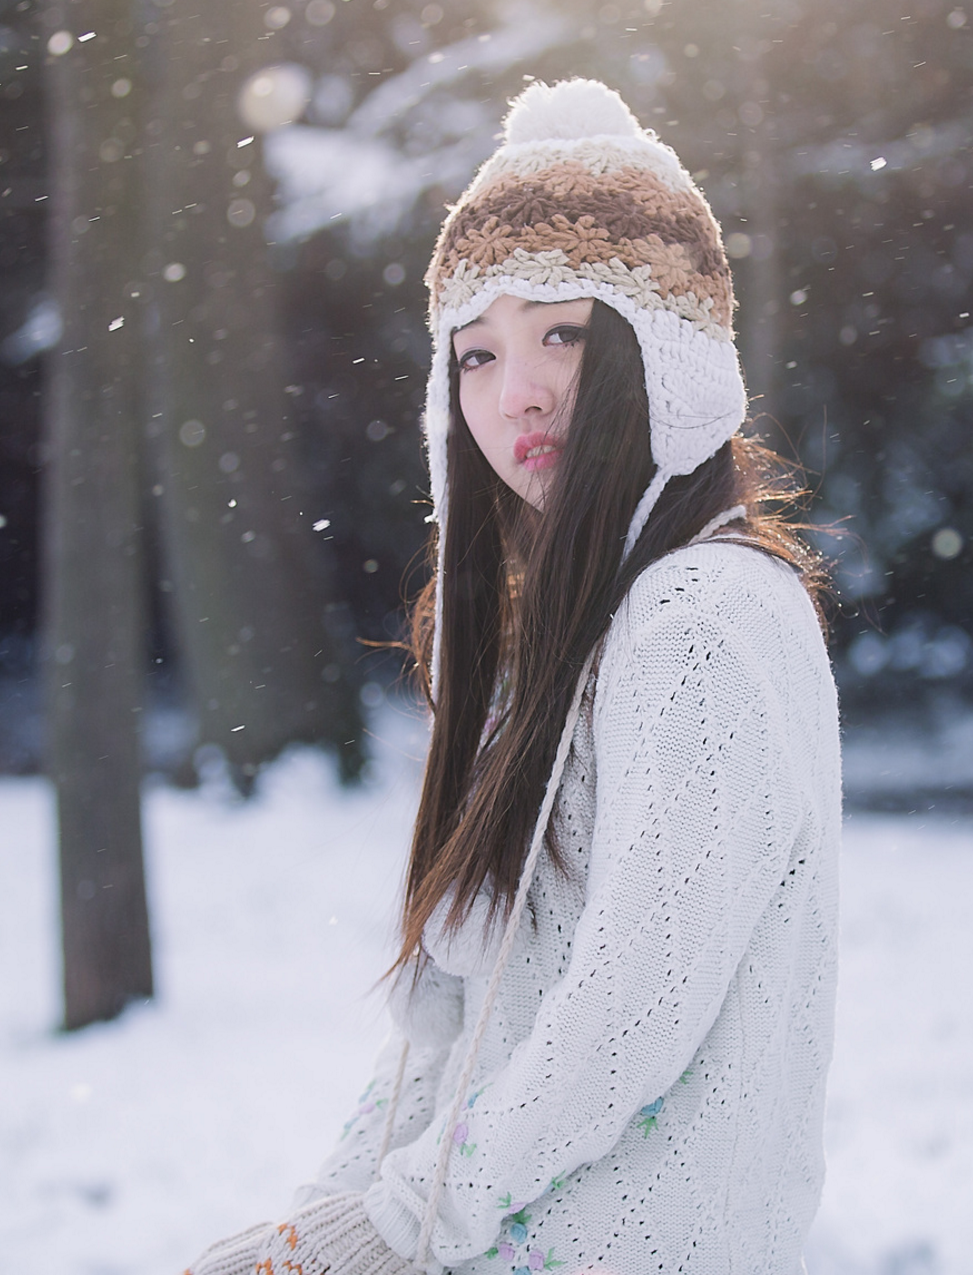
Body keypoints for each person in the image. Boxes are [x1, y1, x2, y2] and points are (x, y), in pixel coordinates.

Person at [188, 78, 842, 1275]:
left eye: (562, 333)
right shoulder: (553, 643)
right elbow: (458, 1025)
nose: (517, 391)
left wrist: (398, 1221)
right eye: (475, 353)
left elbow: (634, 1005)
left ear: (666, 355)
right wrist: (314, 1228)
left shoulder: (701, 618)